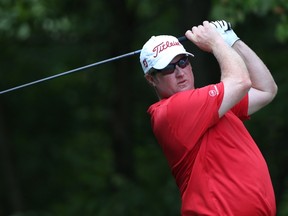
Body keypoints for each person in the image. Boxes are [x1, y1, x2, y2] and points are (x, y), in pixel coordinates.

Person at [139, 20, 278, 215]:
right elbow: (241, 81)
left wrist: (231, 39)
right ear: (151, 79)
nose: (180, 73)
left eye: (182, 62)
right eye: (168, 68)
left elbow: (265, 89)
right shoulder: (170, 111)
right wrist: (216, 43)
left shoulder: (213, 102)